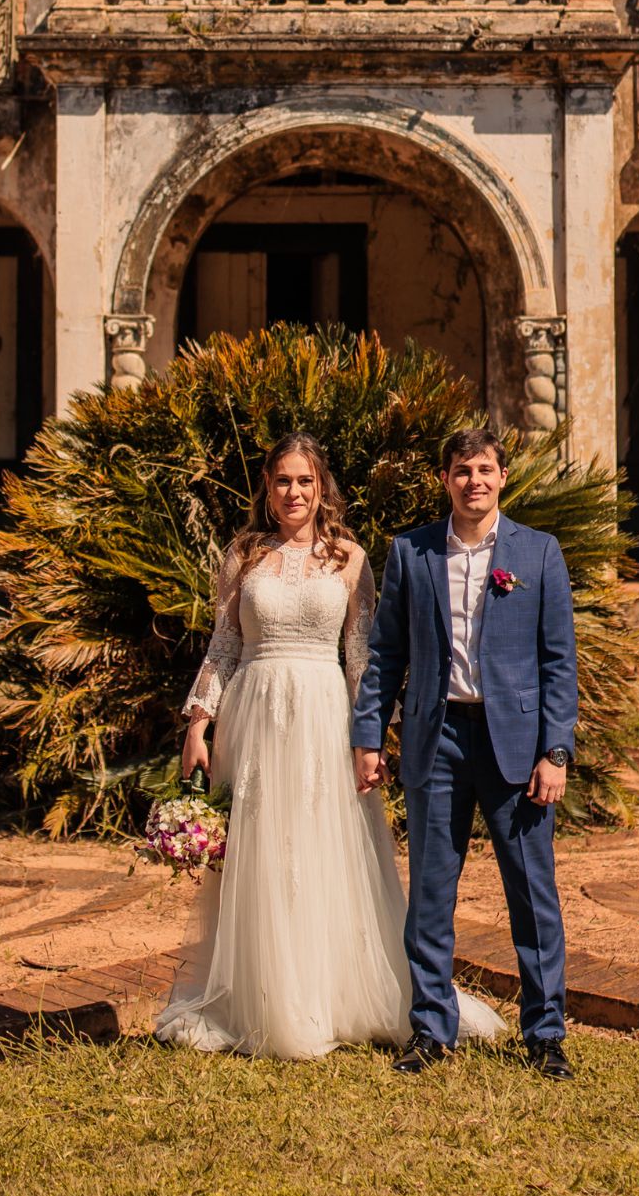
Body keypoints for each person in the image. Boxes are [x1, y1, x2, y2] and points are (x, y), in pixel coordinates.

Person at [156, 432, 505, 1059]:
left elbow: (362, 655)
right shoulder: (243, 556)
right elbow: (224, 645)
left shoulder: (350, 558)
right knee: (264, 852)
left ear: (322, 489)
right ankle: (264, 996)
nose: (294, 492)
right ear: (268, 488)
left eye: (305, 481)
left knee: (323, 847)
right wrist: (198, 724)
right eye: (283, 481)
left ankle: (333, 992)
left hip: (324, 716)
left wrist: (370, 738)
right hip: (254, 716)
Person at [352, 427, 578, 1078]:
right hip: (438, 737)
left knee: (531, 893)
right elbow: (385, 654)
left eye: (483, 469)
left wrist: (555, 751)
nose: (473, 481)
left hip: (518, 747)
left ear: (502, 476)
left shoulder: (537, 553)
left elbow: (559, 662)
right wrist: (369, 736)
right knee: (429, 892)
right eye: (461, 470)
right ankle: (429, 1027)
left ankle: (544, 1033)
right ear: (444, 478)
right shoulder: (412, 552)